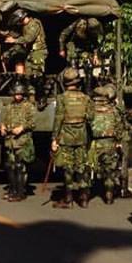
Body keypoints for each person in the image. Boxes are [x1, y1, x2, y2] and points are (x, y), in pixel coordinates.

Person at [51, 68, 93, 208]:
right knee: (81, 167)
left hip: (66, 137)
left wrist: (54, 139)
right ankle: (84, 198)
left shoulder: (61, 98)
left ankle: (68, 199)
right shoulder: (86, 98)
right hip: (82, 137)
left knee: (68, 168)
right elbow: (91, 117)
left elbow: (58, 119)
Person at [0, 81, 35, 202]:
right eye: (15, 94)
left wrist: (22, 128)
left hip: (22, 141)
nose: (17, 96)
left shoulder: (28, 106)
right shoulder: (9, 106)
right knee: (10, 166)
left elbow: (33, 122)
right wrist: (2, 127)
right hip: (10, 141)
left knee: (20, 167)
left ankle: (20, 192)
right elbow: (4, 120)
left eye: (19, 94)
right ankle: (12, 190)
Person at [88, 85, 124, 204]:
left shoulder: (91, 111)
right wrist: (118, 141)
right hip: (110, 143)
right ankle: (109, 195)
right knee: (109, 171)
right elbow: (119, 127)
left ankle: (85, 195)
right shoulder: (114, 110)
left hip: (94, 143)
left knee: (89, 169)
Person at [4, 9, 47, 98]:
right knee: (28, 76)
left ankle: (42, 97)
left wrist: (14, 40)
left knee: (36, 75)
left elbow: (28, 38)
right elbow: (18, 34)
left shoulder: (34, 24)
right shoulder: (26, 26)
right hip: (30, 53)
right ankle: (31, 95)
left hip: (38, 52)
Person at [59, 17, 104, 85]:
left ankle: (88, 85)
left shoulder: (92, 32)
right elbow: (63, 35)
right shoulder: (75, 24)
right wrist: (61, 49)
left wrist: (95, 56)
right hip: (73, 46)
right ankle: (73, 84)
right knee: (73, 64)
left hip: (84, 48)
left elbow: (95, 44)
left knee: (88, 65)